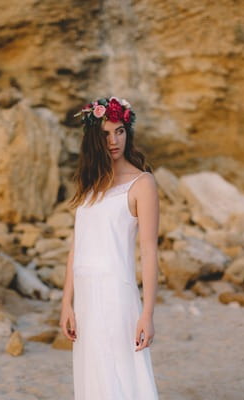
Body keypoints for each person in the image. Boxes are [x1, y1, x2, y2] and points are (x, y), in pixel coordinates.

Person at [59, 96, 160, 399]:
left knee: (120, 374)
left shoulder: (142, 184)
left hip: (116, 294)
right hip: (86, 298)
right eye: (105, 134)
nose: (113, 141)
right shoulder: (91, 185)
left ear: (128, 133)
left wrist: (148, 313)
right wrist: (67, 303)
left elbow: (150, 252)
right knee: (93, 377)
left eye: (119, 131)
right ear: (94, 138)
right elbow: (77, 247)